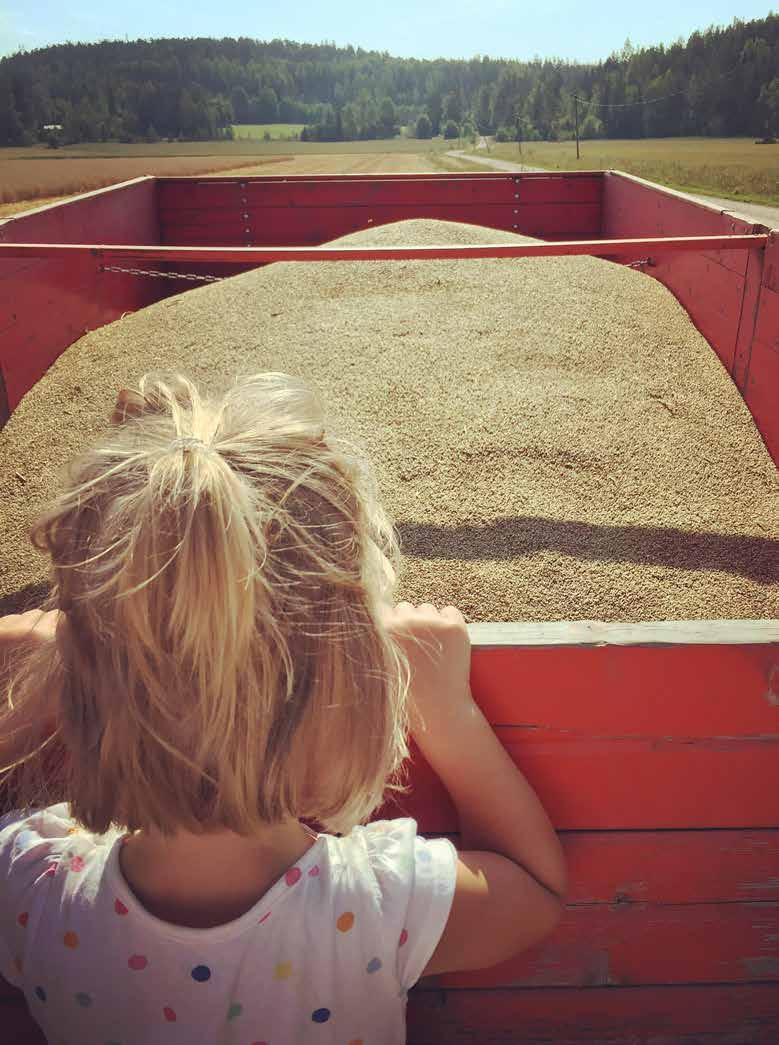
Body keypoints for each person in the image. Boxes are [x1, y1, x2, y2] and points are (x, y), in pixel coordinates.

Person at [0, 372, 566, 1045]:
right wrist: (445, 709)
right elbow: (535, 892)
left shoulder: (30, 886)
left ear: (81, 688)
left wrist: (23, 706)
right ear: (351, 689)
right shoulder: (378, 902)